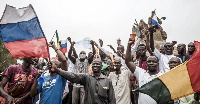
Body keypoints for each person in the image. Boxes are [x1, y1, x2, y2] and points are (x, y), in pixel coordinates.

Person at [51, 58, 116, 104]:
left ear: (101, 66)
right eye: (94, 64)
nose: (95, 65)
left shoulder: (107, 81)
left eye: (98, 64)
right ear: (91, 66)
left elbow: (112, 100)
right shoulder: (86, 77)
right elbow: (72, 76)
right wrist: (58, 70)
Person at [125, 37, 162, 104]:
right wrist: (129, 45)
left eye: (154, 62)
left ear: (158, 64)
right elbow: (128, 61)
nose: (151, 63)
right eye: (149, 61)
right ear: (146, 64)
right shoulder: (141, 73)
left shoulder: (162, 76)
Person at [68, 37, 95, 104]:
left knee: (83, 102)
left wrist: (92, 45)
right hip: (75, 85)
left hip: (84, 85)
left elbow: (94, 53)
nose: (82, 54)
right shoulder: (75, 61)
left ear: (85, 55)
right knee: (74, 101)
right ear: (79, 54)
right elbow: (69, 55)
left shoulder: (88, 61)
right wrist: (71, 46)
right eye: (81, 53)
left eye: (83, 53)